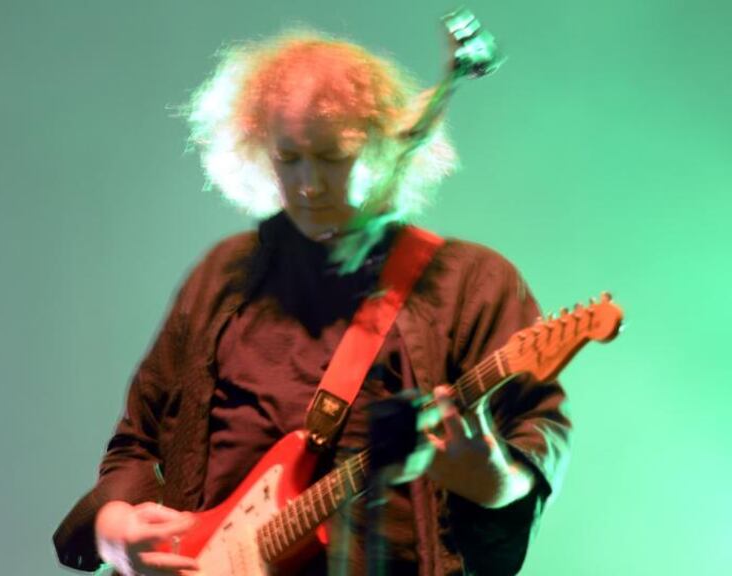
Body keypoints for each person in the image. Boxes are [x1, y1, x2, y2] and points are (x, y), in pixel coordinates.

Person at [54, 32, 570, 576]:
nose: (307, 184)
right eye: (289, 158)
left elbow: (536, 436)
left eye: (332, 156)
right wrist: (112, 529)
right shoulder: (222, 278)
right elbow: (137, 440)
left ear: (388, 146)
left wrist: (492, 480)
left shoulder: (471, 283)